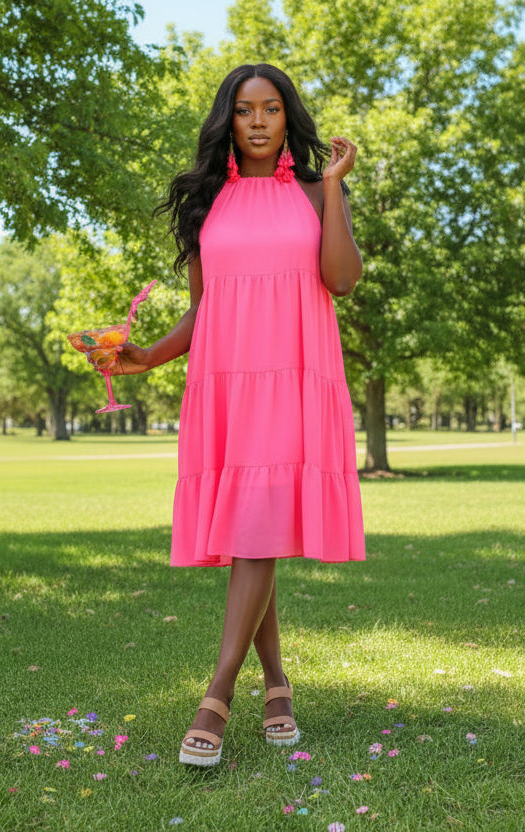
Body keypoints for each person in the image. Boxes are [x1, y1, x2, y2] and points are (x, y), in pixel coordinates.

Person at [103, 63, 365, 767]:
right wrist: (146, 357)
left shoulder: (316, 192)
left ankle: (217, 693)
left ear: (288, 120)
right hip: (228, 383)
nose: (257, 121)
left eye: (271, 109)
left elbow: (340, 279)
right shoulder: (206, 203)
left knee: (255, 533)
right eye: (245, 109)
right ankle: (276, 683)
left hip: (297, 377)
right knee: (258, 531)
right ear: (229, 118)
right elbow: (205, 306)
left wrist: (335, 187)